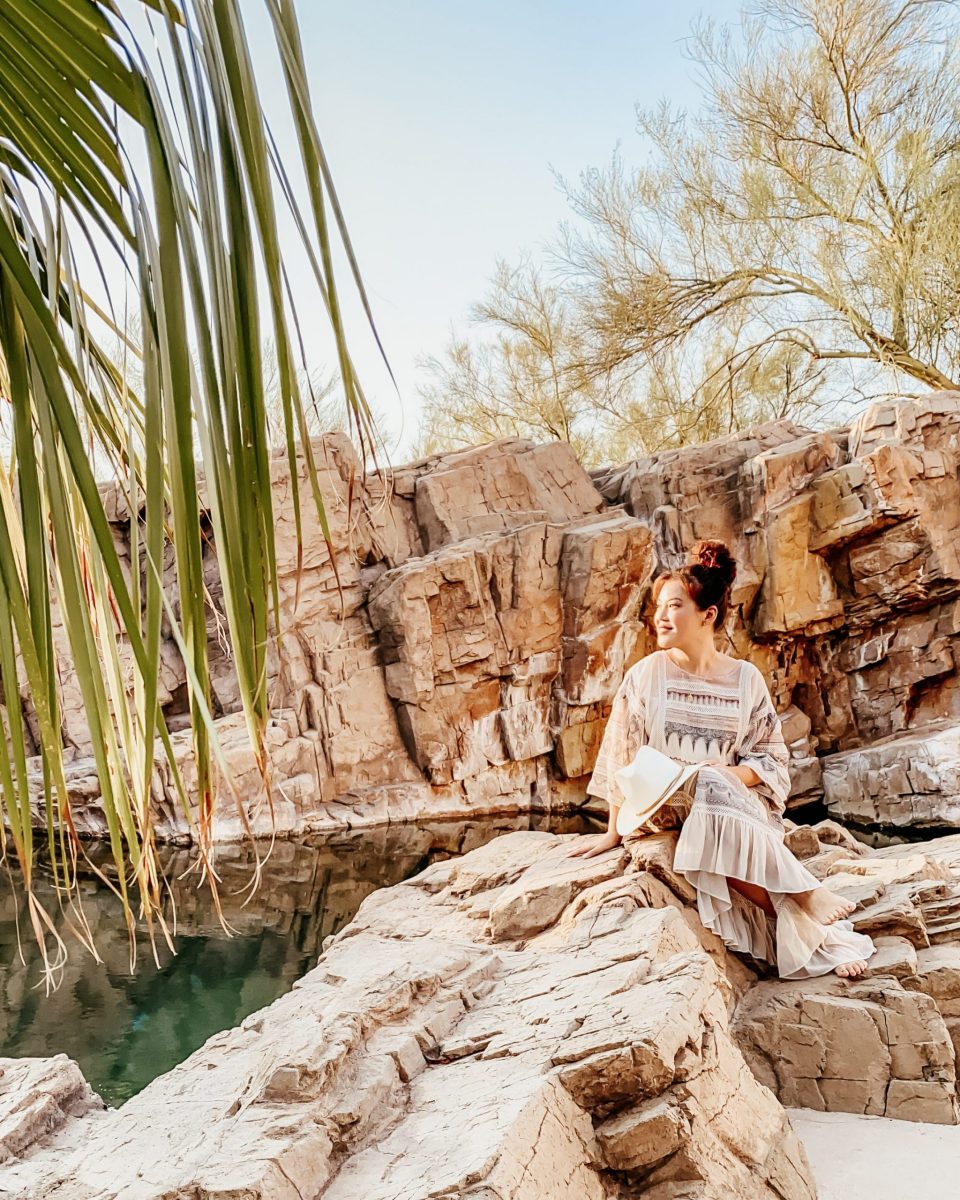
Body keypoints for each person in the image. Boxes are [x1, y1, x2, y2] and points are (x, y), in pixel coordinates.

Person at [567, 539, 875, 980]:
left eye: (673, 606)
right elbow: (622, 756)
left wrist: (724, 773)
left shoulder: (744, 679)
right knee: (706, 784)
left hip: (723, 804)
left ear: (707, 615)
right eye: (658, 605)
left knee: (711, 785)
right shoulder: (646, 675)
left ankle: (808, 927)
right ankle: (806, 895)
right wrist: (613, 831)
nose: (660, 615)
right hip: (659, 806)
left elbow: (770, 758)